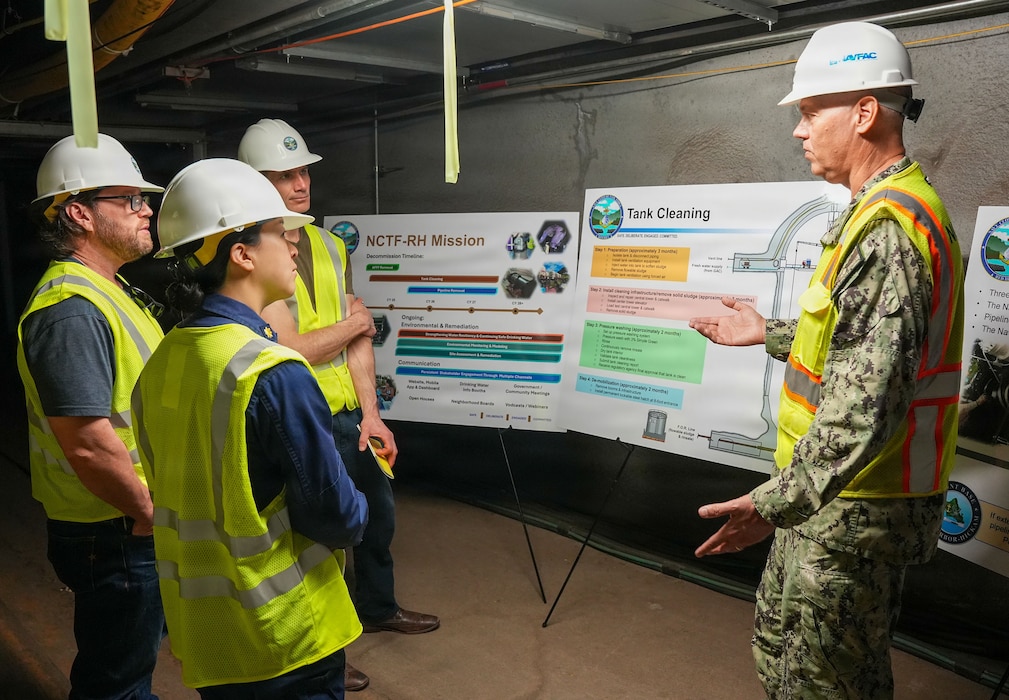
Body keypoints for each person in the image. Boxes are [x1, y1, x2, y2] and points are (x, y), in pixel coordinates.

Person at [689, 22, 964, 699]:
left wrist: (774, 502)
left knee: (824, 685)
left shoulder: (887, 230)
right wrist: (772, 331)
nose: (798, 129)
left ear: (864, 112)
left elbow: (863, 408)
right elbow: (859, 346)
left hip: (851, 514)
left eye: (811, 111)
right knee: (785, 661)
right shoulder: (875, 213)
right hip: (827, 504)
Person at [131, 158, 369, 698]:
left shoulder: (164, 359)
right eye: (280, 235)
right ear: (241, 254)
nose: (292, 248)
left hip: (208, 633)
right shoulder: (271, 371)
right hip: (286, 633)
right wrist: (362, 505)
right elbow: (335, 515)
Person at [238, 119, 439, 692]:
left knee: (376, 516)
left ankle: (377, 607)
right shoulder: (253, 251)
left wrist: (372, 413)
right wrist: (355, 321)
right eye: (284, 175)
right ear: (256, 183)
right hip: (298, 421)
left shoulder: (327, 244)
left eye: (303, 170)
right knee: (317, 536)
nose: (300, 184)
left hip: (349, 417)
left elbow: (358, 339)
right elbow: (291, 349)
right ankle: (327, 649)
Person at [16, 133, 166, 699]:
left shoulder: (110, 289)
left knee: (127, 666)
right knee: (117, 683)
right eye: (129, 199)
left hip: (123, 520)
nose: (146, 208)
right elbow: (86, 442)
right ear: (79, 212)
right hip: (115, 527)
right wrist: (149, 512)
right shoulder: (70, 312)